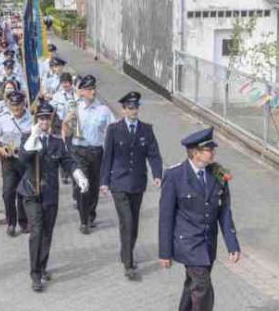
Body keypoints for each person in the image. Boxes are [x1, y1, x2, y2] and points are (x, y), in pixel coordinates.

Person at [158, 127, 241, 311]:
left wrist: (232, 244)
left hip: (208, 244)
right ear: (195, 152)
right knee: (202, 287)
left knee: (193, 286)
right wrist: (165, 252)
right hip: (188, 243)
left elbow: (224, 212)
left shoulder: (218, 175)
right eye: (209, 149)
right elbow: (166, 217)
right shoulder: (175, 176)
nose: (213, 153)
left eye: (212, 149)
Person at [18, 102, 89, 292]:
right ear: (36, 120)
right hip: (31, 193)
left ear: (51, 120)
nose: (44, 121)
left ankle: (42, 267)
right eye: (41, 118)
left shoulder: (57, 142)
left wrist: (78, 175)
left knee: (47, 233)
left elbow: (67, 161)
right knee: (37, 231)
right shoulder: (28, 137)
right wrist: (33, 138)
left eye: (47, 118)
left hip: (50, 194)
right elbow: (22, 159)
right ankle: (35, 275)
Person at [100, 91, 163, 280]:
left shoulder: (146, 129)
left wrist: (157, 174)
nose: (133, 111)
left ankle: (125, 251)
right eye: (130, 108)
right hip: (118, 182)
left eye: (136, 107)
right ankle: (128, 264)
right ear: (123, 110)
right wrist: (104, 182)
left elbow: (153, 154)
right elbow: (107, 157)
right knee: (127, 221)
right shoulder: (114, 129)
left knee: (133, 224)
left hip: (137, 183)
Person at [63, 75, 115, 234]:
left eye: (94, 88)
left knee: (93, 188)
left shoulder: (104, 110)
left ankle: (91, 213)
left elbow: (113, 131)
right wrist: (66, 126)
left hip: (96, 152)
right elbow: (66, 127)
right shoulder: (75, 108)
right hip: (78, 151)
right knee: (82, 185)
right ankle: (83, 219)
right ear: (82, 92)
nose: (93, 91)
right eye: (89, 89)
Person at [0, 91, 32, 236]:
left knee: (23, 192)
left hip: (25, 160)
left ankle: (23, 222)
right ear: (9, 105)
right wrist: (1, 149)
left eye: (19, 107)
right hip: (8, 160)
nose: (16, 110)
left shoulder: (31, 119)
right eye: (13, 107)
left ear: (23, 104)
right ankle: (11, 223)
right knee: (8, 193)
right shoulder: (2, 119)